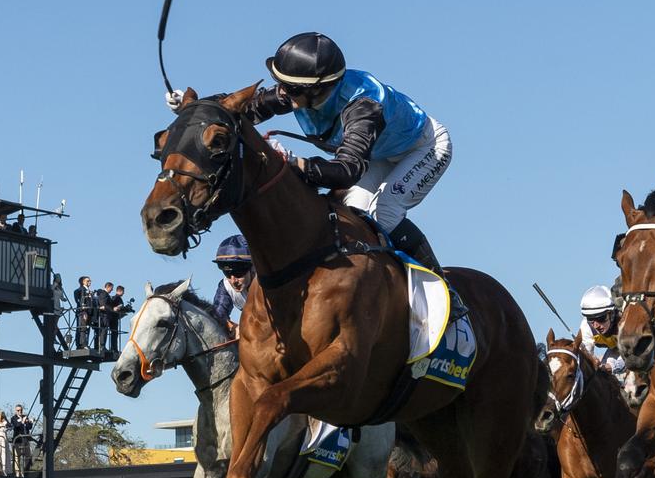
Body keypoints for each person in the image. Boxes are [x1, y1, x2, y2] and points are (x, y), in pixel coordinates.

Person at [172, 32, 462, 316]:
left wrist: (296, 164)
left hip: (423, 148)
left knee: (385, 212)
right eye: (282, 84)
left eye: (290, 88)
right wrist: (193, 110)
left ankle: (445, 294)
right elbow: (243, 110)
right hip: (377, 155)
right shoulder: (302, 91)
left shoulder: (363, 107)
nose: (282, 93)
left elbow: (348, 170)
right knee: (352, 217)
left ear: (317, 90)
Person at [578, 285, 626, 376]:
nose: (596, 326)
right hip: (614, 348)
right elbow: (585, 362)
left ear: (612, 314)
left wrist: (612, 367)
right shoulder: (587, 327)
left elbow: (633, 356)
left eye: (601, 318)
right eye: (590, 319)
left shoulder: (624, 321)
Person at [211, 234, 252, 336]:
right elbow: (218, 315)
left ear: (252, 267)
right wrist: (231, 327)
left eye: (238, 273)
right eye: (227, 274)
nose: (233, 281)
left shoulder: (267, 282)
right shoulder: (225, 286)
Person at [10, 405, 35, 478]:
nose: (20, 412)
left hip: (25, 440)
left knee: (27, 456)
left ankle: (26, 472)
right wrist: (22, 421)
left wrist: (30, 422)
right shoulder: (13, 418)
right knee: (17, 457)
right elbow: (16, 426)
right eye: (18, 410)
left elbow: (29, 427)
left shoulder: (25, 416)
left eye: (21, 410)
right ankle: (17, 473)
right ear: (15, 411)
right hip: (18, 440)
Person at [73, 276, 95, 350]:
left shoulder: (89, 291)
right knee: (82, 328)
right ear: (83, 282)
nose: (90, 282)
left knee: (87, 328)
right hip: (83, 312)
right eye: (88, 281)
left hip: (89, 312)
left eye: (90, 280)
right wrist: (83, 311)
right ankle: (81, 344)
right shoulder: (80, 290)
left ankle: (85, 343)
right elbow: (79, 301)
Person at [109, 285, 132, 352]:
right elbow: (116, 307)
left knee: (114, 333)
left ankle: (114, 348)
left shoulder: (115, 297)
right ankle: (114, 348)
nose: (124, 293)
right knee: (114, 333)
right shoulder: (117, 298)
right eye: (123, 291)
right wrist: (124, 309)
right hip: (114, 318)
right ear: (120, 291)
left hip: (114, 317)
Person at [93, 282, 114, 352]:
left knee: (102, 331)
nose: (112, 290)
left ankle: (100, 346)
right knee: (103, 331)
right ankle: (102, 346)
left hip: (104, 316)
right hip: (104, 316)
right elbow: (103, 305)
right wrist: (112, 309)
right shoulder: (104, 294)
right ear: (108, 287)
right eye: (111, 288)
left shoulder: (104, 294)